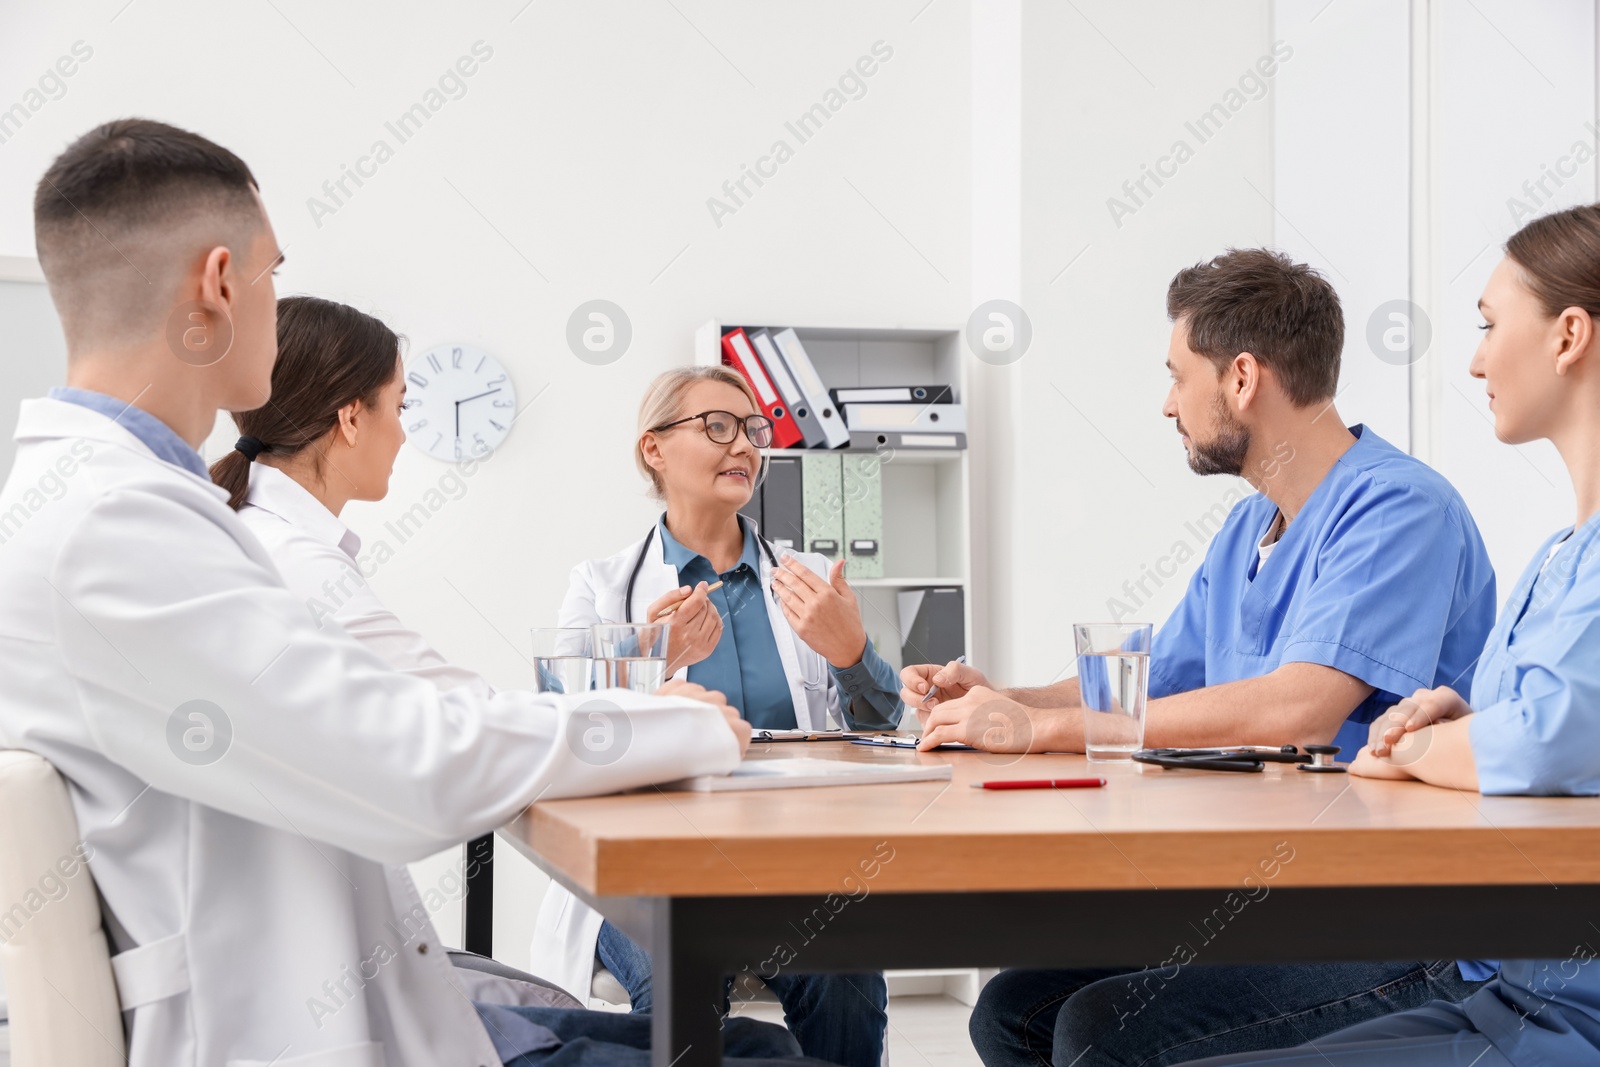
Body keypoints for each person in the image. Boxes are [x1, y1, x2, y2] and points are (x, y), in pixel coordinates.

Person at [0, 118, 820, 1067]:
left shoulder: (124, 506)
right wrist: (688, 722)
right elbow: (413, 763)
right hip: (278, 1026)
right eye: (272, 273)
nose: (275, 297)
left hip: (324, 990)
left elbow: (399, 722)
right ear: (219, 284)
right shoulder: (114, 525)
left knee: (750, 1047)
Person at [919, 250, 1499, 1067]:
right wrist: (1000, 700)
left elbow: (1300, 708)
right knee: (1013, 1009)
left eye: (1176, 374)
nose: (1166, 404)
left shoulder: (1398, 507)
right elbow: (1154, 682)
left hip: (1402, 926)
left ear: (1242, 379)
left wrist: (1042, 732)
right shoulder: (1248, 530)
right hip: (1284, 898)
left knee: (1098, 1031)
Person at [1170, 208, 1600, 1067]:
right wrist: (1459, 714)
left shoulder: (1404, 506)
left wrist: (1429, 741)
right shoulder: (1559, 557)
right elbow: (1523, 715)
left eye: (1488, 324)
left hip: (1536, 984)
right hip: (1515, 978)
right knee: (1030, 1005)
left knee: (1100, 1028)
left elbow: (1547, 738)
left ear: (1570, 336)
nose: (1476, 357)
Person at [529, 365, 899, 1067]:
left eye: (753, 430)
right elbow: (567, 728)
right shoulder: (603, 587)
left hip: (793, 865)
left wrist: (850, 652)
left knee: (847, 975)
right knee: (677, 981)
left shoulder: (804, 579)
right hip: (647, 872)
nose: (745, 447)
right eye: (718, 427)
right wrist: (650, 663)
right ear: (654, 449)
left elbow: (884, 726)